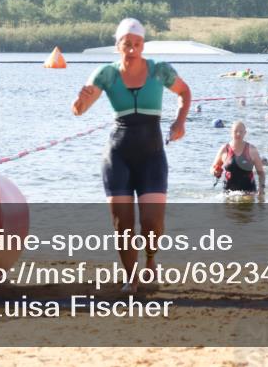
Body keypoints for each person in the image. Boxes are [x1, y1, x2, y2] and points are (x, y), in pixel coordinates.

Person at [72, 18, 191, 292]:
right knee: (122, 223)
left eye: (137, 44)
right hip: (118, 155)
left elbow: (184, 92)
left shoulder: (159, 71)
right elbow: (79, 110)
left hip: (152, 154)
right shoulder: (106, 74)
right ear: (118, 46)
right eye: (127, 44)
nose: (132, 49)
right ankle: (131, 277)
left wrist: (179, 122)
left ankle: (150, 260)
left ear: (143, 46)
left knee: (152, 222)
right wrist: (80, 99)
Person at [211, 121, 265, 195]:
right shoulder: (224, 149)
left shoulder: (252, 149)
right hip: (228, 193)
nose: (238, 134)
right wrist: (215, 171)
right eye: (235, 131)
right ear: (231, 132)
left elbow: (261, 173)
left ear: (245, 133)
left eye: (241, 131)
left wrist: (261, 188)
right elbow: (213, 168)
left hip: (248, 192)